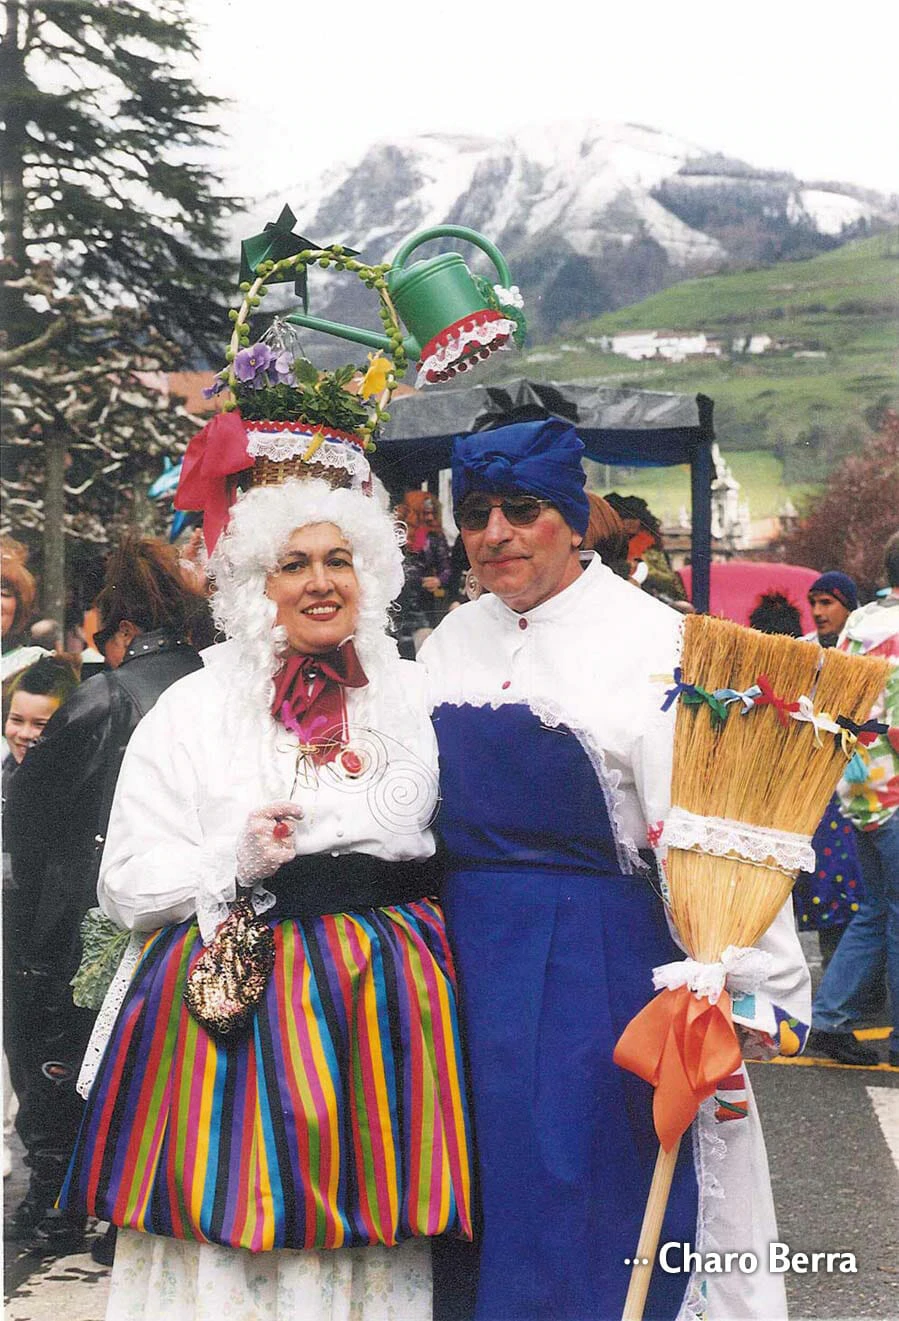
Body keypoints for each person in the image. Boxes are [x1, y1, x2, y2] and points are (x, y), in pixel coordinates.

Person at [57, 450, 472, 1318]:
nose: (319, 583)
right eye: (293, 564)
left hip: (382, 1001)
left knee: (373, 1215)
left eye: (337, 560)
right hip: (231, 1002)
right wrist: (228, 864)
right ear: (254, 584)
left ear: (371, 573)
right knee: (223, 1205)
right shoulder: (194, 707)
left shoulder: (423, 694)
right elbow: (125, 883)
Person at [418, 418, 810, 1321]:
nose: (496, 534)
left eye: (522, 510)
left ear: (572, 516)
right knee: (482, 1190)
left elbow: (715, 831)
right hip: (464, 965)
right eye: (476, 514)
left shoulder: (655, 643)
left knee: (589, 1193)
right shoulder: (447, 643)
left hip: (600, 967)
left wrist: (740, 976)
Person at [4, 535, 207, 1251]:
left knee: (54, 1052)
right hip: (188, 904)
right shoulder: (209, 683)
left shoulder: (103, 696)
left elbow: (25, 813)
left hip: (80, 911)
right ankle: (126, 1201)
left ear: (119, 626)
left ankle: (58, 1203)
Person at [808, 532, 899, 1068]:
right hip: (896, 788)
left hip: (859, 788)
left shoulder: (860, 625)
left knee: (874, 910)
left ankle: (830, 1019)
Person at [2, 658, 80, 1187]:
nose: (25, 735)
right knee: (23, 1069)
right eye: (16, 720)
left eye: (40, 725)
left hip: (53, 945)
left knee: (57, 1072)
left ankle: (60, 1195)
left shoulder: (74, 785)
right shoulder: (7, 774)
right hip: (9, 944)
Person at [394, 489, 452, 654]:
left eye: (433, 513)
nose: (430, 517)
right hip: (399, 603)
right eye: (425, 513)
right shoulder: (398, 535)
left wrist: (439, 580)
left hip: (424, 606)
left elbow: (446, 567)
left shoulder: (434, 537)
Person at [804, 570, 858, 648]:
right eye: (812, 603)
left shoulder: (867, 650)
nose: (816, 612)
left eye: (826, 602)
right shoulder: (802, 647)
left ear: (848, 609)